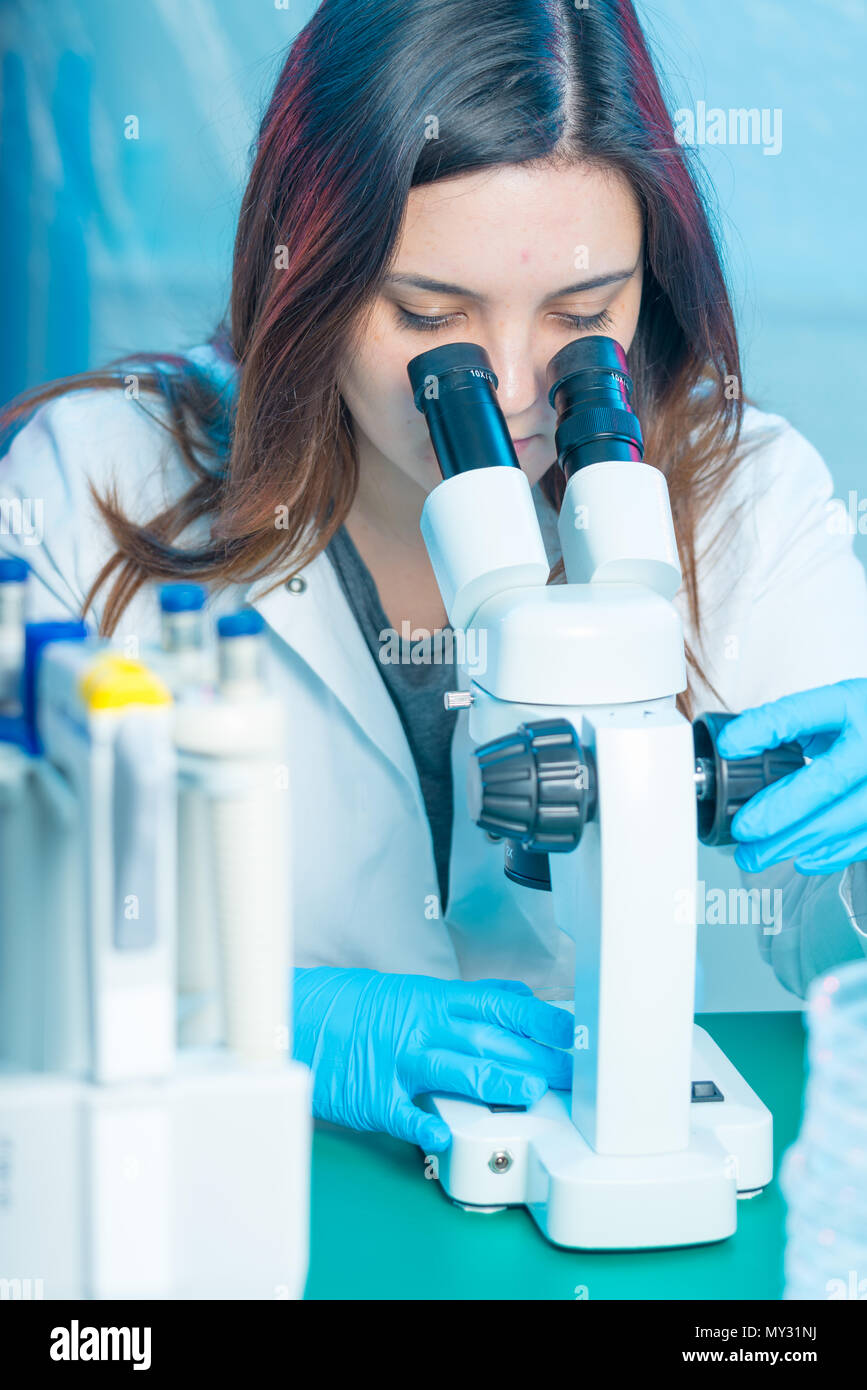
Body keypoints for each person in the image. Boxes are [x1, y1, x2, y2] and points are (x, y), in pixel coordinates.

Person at [2, 0, 866, 1150]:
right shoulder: (96, 484)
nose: (510, 389)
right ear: (307, 267)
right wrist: (266, 1020)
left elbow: (824, 938)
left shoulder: (742, 492)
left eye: (581, 312)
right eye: (428, 315)